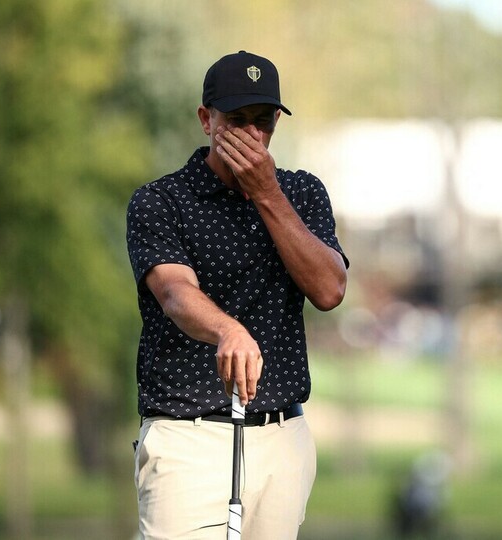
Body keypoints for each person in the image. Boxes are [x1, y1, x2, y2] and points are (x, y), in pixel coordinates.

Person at [126, 50, 348, 539]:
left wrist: (267, 194)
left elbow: (330, 289)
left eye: (262, 121)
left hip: (281, 438)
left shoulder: (301, 193)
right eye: (237, 120)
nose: (251, 134)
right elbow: (174, 292)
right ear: (207, 120)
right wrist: (227, 329)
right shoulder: (161, 200)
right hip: (187, 437)